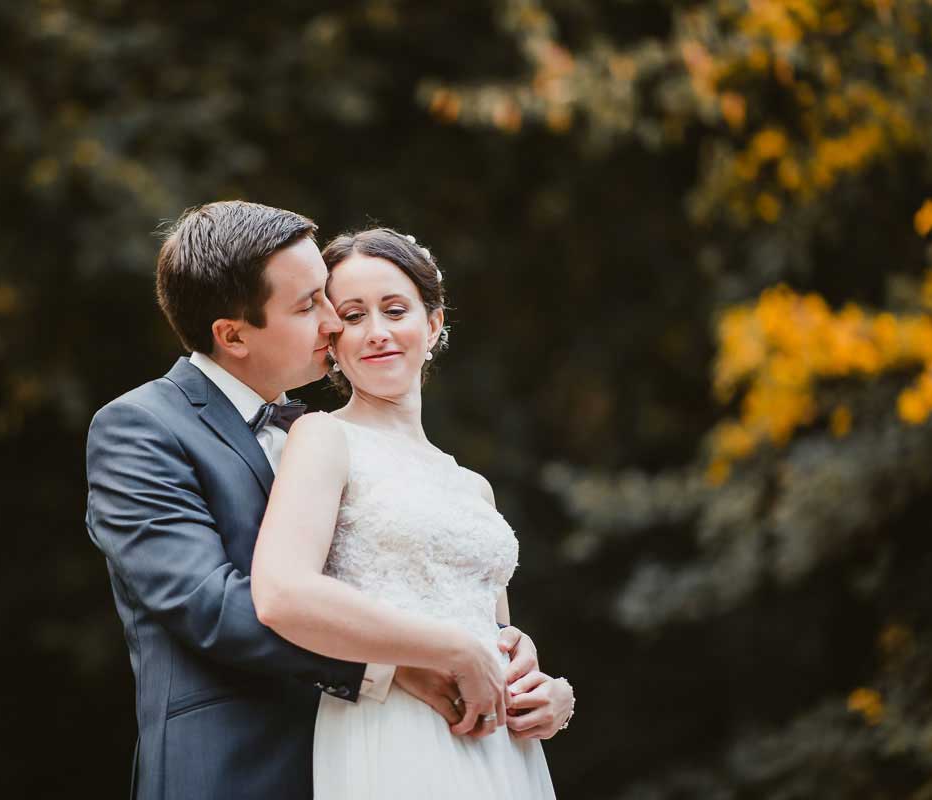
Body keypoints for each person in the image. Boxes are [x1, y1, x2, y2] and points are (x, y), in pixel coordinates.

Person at [85, 202, 569, 800]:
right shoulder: (141, 427)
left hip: (399, 748)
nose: (334, 323)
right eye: (311, 305)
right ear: (232, 334)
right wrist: (390, 666)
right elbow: (207, 601)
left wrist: (524, 676)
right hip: (239, 764)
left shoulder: (324, 433)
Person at [250, 228, 570, 799]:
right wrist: (449, 650)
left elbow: (494, 634)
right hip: (395, 731)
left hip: (504, 747)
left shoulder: (472, 487)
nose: (376, 333)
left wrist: (545, 694)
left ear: (434, 324)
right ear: (332, 338)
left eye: (395, 310)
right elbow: (282, 594)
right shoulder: (323, 438)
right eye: (352, 316)